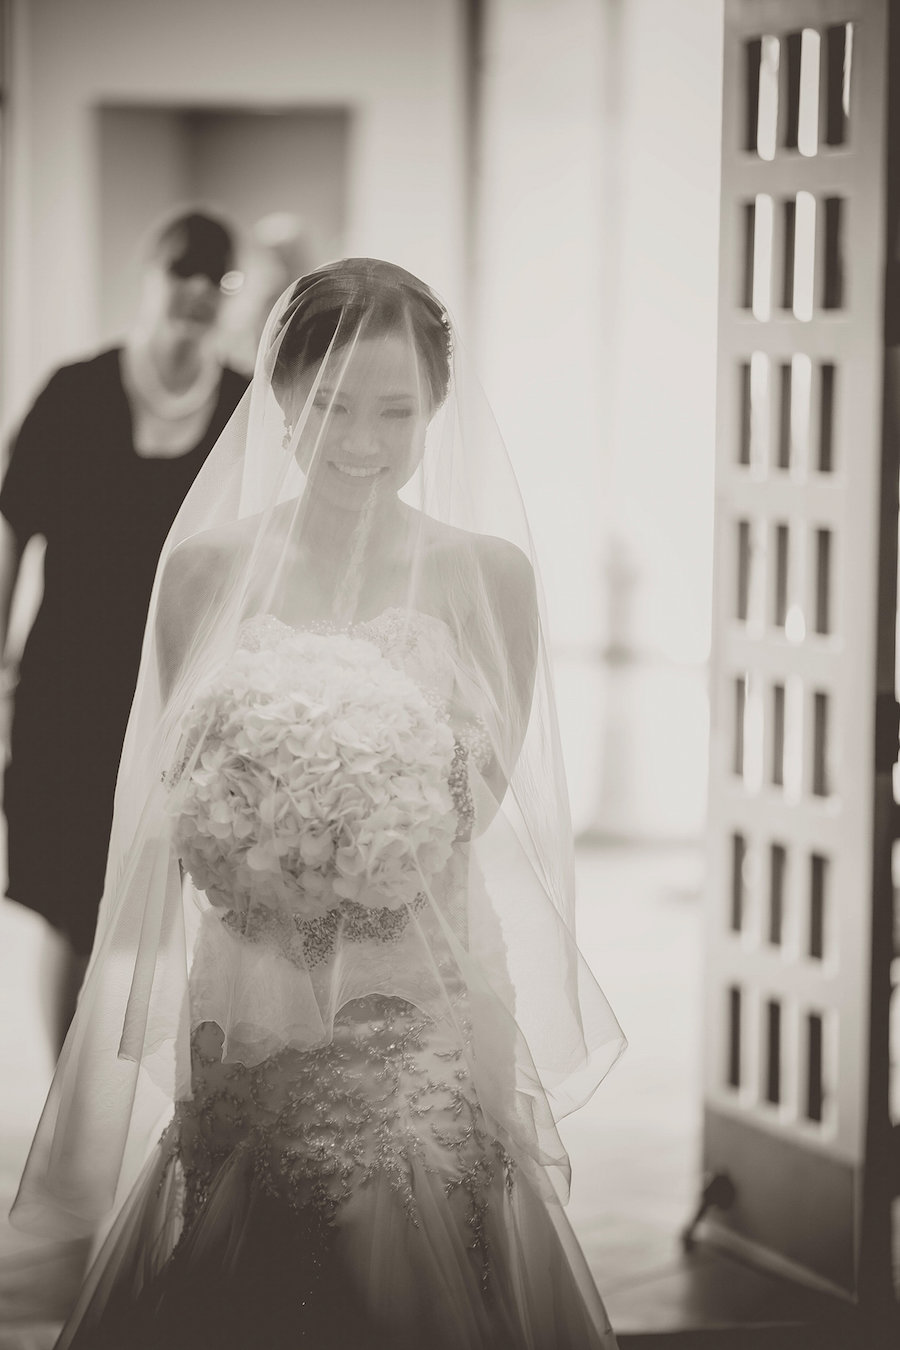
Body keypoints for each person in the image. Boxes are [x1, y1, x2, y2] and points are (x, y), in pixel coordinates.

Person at [12, 259, 626, 1348]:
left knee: (435, 1244)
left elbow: (476, 806)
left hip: (424, 980)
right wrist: (255, 841)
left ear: (438, 410)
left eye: (398, 410)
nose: (362, 439)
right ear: (280, 399)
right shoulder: (203, 571)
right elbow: (178, 781)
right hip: (250, 974)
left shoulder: (491, 578)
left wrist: (354, 830)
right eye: (334, 404)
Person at [0, 210, 250, 1052]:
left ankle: (182, 1099)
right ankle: (65, 1089)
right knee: (73, 899)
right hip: (67, 687)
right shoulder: (75, 390)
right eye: (183, 270)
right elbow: (11, 532)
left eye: (220, 280)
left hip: (193, 691)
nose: (198, 293)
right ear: (150, 276)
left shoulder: (247, 406)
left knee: (205, 895)